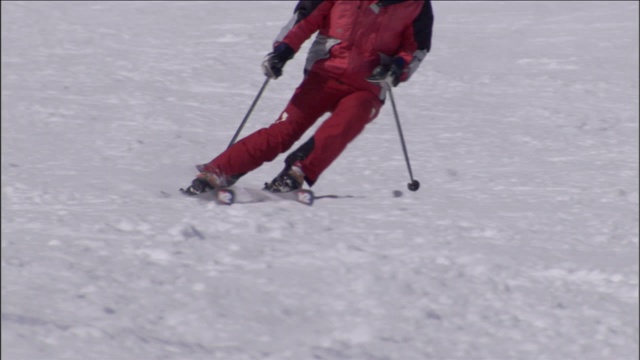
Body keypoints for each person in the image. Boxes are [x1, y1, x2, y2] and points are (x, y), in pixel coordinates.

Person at [184, 0, 434, 195]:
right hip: (324, 74)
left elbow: (416, 47)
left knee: (346, 122)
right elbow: (305, 19)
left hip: (369, 85)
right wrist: (283, 51)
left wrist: (397, 68)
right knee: (284, 131)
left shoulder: (417, 4)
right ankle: (218, 171)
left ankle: (298, 172)